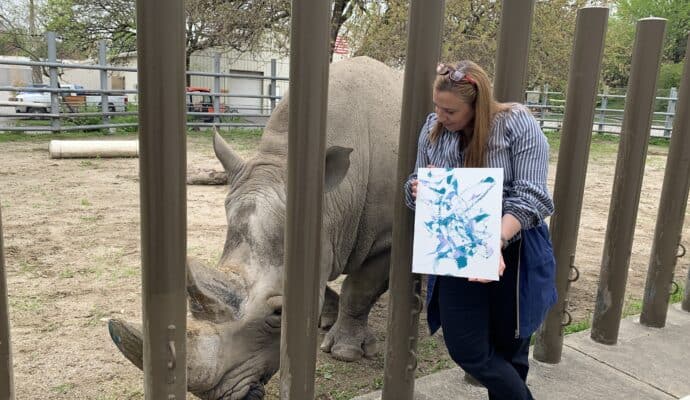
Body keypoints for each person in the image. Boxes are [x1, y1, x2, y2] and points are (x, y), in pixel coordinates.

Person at [404, 60, 557, 400]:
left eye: (450, 111)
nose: (440, 116)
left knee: (510, 350)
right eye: (436, 106)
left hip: (515, 249)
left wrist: (496, 242)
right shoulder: (434, 128)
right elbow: (415, 185)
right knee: (467, 349)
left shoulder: (517, 124)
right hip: (458, 250)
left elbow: (533, 196)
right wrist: (419, 189)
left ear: (477, 106)